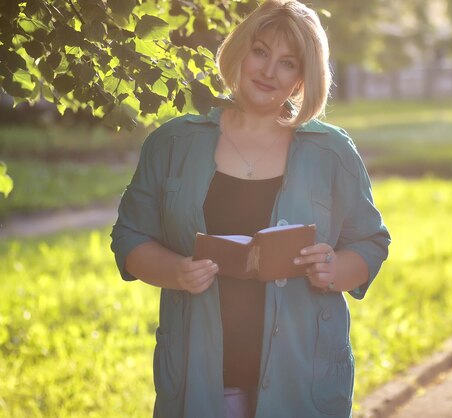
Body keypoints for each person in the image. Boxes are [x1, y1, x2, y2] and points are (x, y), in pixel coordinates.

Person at [110, 1, 390, 417]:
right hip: (199, 375)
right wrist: (177, 272)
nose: (268, 71)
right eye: (260, 52)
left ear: (301, 80)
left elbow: (370, 242)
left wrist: (334, 267)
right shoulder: (173, 143)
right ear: (239, 52)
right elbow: (130, 237)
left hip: (302, 378)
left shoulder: (332, 151)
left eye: (287, 63)